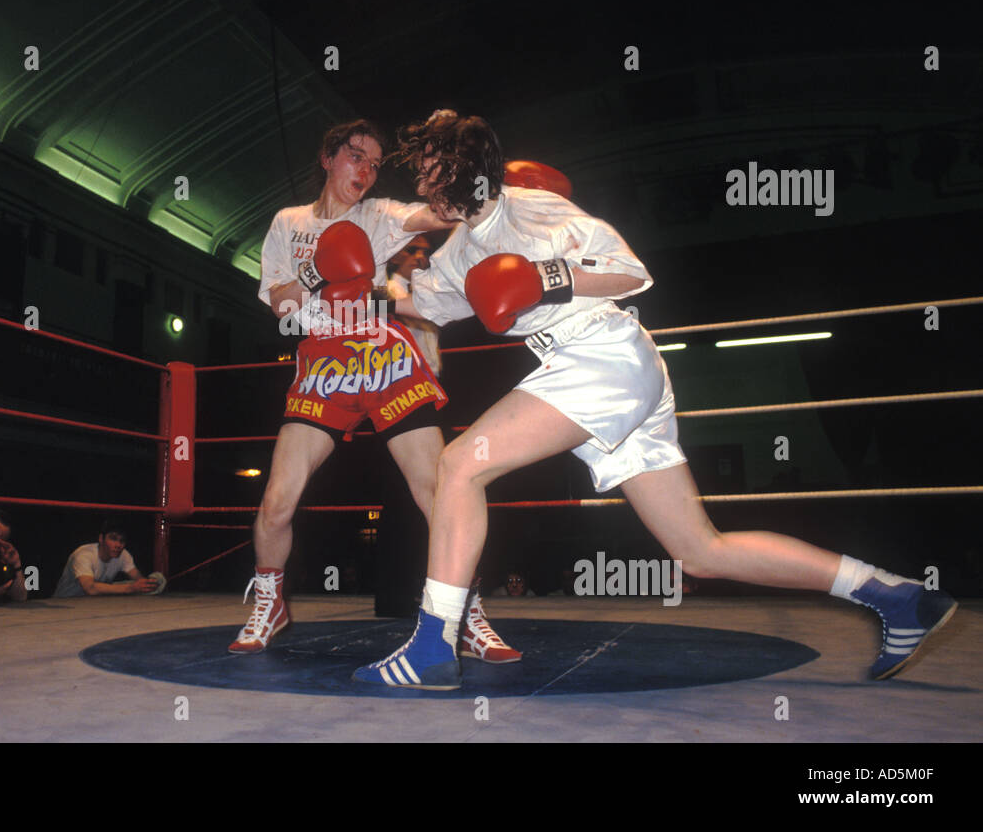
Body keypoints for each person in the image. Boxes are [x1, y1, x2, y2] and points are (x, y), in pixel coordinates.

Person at [354, 110, 957, 688]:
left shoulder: (532, 208)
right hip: (592, 371)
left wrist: (545, 278)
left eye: (429, 166)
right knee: (700, 551)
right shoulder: (459, 250)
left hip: (602, 353)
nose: (420, 181)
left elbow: (630, 271)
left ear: (462, 165)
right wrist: (363, 290)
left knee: (459, 466)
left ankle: (433, 645)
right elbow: (426, 305)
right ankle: (895, 596)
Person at [234, 119, 520, 663]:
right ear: (327, 157)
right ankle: (270, 602)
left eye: (373, 162)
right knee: (276, 502)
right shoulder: (286, 223)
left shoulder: (378, 214)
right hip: (323, 360)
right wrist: (321, 273)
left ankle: (466, 613)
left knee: (437, 492)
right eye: (354, 156)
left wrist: (486, 186)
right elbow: (281, 307)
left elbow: (442, 213)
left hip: (384, 354)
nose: (364, 170)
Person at [53, 519, 160, 597]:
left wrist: (152, 583)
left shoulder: (123, 554)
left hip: (92, 603)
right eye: (113, 538)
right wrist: (130, 587)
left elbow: (139, 578)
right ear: (101, 538)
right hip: (65, 602)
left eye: (122, 541)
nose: (118, 545)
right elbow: (90, 588)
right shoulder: (84, 554)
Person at [385, 234, 442, 375]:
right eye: (412, 250)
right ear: (395, 256)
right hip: (401, 374)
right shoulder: (386, 289)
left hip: (430, 373)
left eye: (425, 252)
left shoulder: (429, 291)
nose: (419, 256)